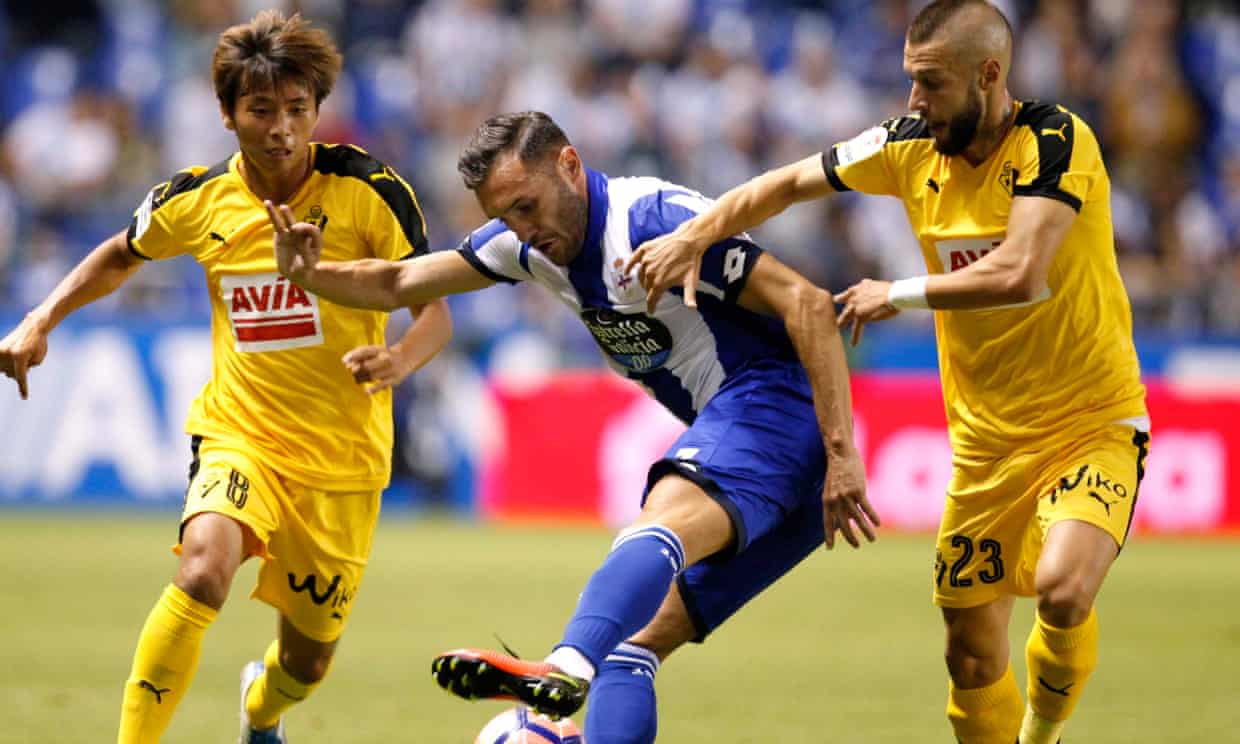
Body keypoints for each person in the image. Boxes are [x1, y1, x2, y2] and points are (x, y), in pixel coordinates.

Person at [624, 2, 1150, 743]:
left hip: (1089, 420)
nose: (914, 102)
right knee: (968, 657)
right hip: (986, 447)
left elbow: (1021, 272)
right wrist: (694, 232)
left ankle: (1043, 732)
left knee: (1064, 589)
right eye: (911, 81)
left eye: (931, 84)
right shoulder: (909, 147)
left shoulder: (1056, 140)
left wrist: (894, 294)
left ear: (988, 75)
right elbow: (782, 185)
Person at [266, 110, 875, 744]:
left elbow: (807, 304)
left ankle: (564, 665)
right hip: (781, 465)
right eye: (506, 219)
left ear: (570, 165)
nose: (523, 231)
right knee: (627, 646)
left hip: (777, 406)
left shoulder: (649, 220)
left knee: (651, 535)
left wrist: (842, 452)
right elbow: (399, 280)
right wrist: (311, 275)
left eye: (528, 207)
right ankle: (583, 661)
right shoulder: (528, 249)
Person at [0, 11, 451, 744]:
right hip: (243, 434)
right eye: (261, 110)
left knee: (306, 665)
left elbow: (433, 311)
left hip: (343, 460)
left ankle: (261, 711)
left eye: (297, 110)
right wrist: (41, 316)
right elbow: (121, 252)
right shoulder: (198, 198)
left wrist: (399, 359)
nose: (280, 128)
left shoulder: (372, 191)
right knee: (203, 570)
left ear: (317, 109)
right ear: (227, 113)